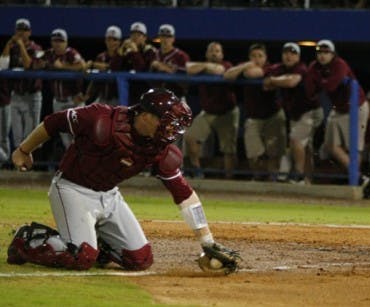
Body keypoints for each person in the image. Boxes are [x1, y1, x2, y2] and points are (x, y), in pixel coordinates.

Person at [6, 88, 239, 272]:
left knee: (140, 260)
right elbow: (53, 122)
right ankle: (27, 241)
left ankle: (98, 244)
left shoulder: (159, 149)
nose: (171, 130)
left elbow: (184, 194)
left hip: (109, 195)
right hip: (71, 189)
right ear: (146, 115)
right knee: (82, 257)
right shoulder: (101, 119)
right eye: (166, 121)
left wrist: (207, 242)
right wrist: (24, 150)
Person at [305, 39, 369, 184]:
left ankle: (355, 181)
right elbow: (310, 91)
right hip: (339, 108)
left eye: (326, 52)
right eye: (320, 52)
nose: (322, 55)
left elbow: (331, 86)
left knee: (354, 148)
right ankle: (359, 177)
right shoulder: (315, 67)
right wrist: (317, 79)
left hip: (356, 107)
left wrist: (318, 80)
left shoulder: (340, 64)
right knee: (329, 145)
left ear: (333, 54)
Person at [264, 42, 323, 184]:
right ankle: (307, 180)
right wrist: (275, 80)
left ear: (298, 56)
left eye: (292, 53)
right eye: (286, 53)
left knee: (296, 141)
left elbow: (291, 82)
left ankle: (299, 176)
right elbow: (265, 85)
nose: (288, 56)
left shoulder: (301, 68)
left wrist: (273, 80)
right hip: (296, 113)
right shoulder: (279, 68)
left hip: (310, 111)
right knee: (305, 147)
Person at [224, 43, 285, 180]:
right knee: (253, 153)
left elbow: (255, 74)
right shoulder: (246, 65)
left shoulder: (272, 68)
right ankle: (258, 180)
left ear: (266, 57)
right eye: (253, 56)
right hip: (253, 117)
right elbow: (227, 76)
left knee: (273, 153)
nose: (257, 59)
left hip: (273, 115)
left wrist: (245, 70)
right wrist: (246, 65)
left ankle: (272, 182)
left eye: (260, 56)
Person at [185, 41, 238, 179]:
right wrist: (205, 66)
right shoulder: (202, 66)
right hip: (208, 112)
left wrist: (204, 67)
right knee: (190, 137)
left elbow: (218, 70)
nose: (214, 53)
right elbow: (189, 69)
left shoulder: (227, 65)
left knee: (228, 149)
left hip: (227, 112)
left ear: (222, 54)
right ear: (206, 54)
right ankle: (197, 171)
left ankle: (228, 179)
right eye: (211, 51)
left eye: (217, 51)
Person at [2, 18, 43, 154]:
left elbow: (28, 66)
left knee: (30, 135)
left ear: (29, 32)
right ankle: (19, 166)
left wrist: (20, 46)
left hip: (32, 96)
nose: (21, 33)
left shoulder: (37, 49)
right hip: (16, 95)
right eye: (19, 30)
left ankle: (31, 166)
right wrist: (8, 45)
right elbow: (2, 66)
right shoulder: (12, 48)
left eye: (24, 30)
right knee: (17, 136)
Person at [40, 28, 86, 149]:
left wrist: (63, 66)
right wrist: (43, 64)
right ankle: (75, 166)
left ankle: (85, 165)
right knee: (66, 141)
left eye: (60, 41)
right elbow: (35, 63)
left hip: (74, 100)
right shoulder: (49, 54)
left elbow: (82, 65)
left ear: (66, 43)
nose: (57, 44)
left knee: (80, 136)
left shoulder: (71, 53)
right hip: (58, 102)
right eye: (55, 41)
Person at [84, 25, 129, 106]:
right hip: (103, 97)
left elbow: (112, 67)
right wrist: (88, 94)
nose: (111, 42)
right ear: (105, 40)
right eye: (109, 39)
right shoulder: (101, 57)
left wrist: (93, 64)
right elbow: (95, 79)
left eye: (114, 40)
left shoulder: (125, 56)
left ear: (119, 42)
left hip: (119, 99)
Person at [122, 22, 159, 105]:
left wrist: (135, 52)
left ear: (144, 37)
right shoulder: (128, 51)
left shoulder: (150, 51)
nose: (135, 37)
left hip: (147, 92)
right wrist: (120, 51)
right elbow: (114, 69)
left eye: (138, 35)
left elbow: (142, 70)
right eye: (133, 35)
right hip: (130, 92)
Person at [151, 24, 190, 101]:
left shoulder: (181, 56)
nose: (165, 39)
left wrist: (169, 70)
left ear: (173, 39)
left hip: (176, 98)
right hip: (156, 98)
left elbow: (187, 82)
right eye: (163, 36)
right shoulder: (153, 54)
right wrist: (152, 67)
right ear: (159, 38)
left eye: (168, 37)